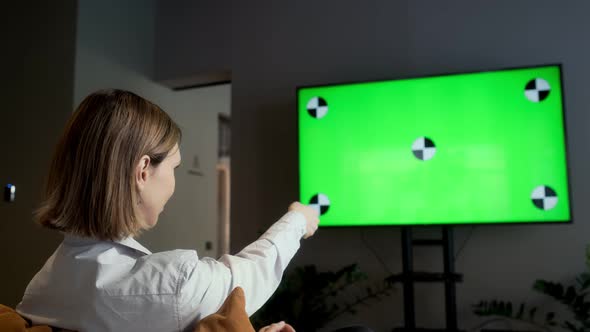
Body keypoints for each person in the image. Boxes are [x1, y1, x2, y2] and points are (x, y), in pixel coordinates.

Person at [16, 89, 320, 332]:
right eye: (174, 168)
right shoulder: (169, 286)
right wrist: (298, 219)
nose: (174, 185)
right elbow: (245, 279)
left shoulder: (41, 287)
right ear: (143, 171)